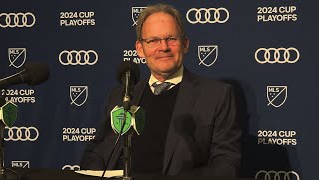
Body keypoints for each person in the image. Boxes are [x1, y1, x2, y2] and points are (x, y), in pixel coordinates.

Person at [80, 3, 241, 177]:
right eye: (153, 40)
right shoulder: (121, 96)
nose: (163, 47)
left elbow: (226, 165)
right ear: (140, 49)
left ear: (185, 44)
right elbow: (96, 153)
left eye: (171, 39)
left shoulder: (215, 95)